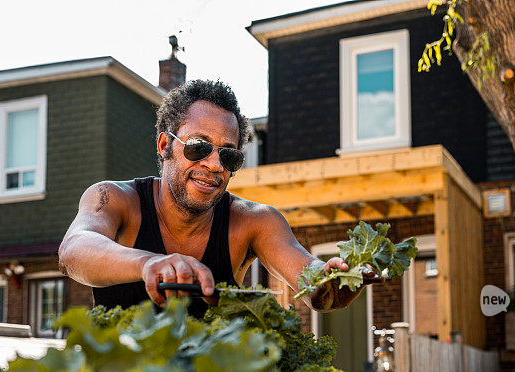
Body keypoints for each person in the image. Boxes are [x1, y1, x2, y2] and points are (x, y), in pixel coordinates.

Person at [59, 79, 374, 317]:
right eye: (199, 146)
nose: (214, 164)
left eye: (229, 155)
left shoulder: (253, 221)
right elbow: (74, 250)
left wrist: (330, 282)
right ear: (164, 145)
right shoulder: (115, 199)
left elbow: (309, 276)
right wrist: (149, 263)